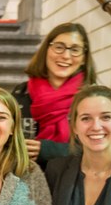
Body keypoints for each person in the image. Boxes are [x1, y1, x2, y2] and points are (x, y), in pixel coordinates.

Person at [12, 22, 97, 167]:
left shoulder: (93, 99)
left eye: (75, 50)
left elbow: (100, 148)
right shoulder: (21, 93)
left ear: (84, 57)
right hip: (27, 181)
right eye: (59, 47)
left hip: (75, 183)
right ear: (47, 50)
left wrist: (48, 150)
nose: (65, 55)